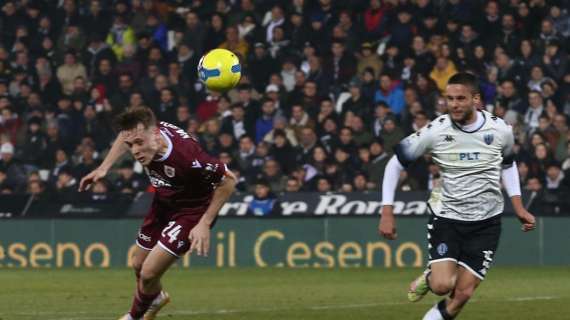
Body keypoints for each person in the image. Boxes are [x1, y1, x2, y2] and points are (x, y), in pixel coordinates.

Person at [378, 73, 536, 320]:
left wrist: (518, 206)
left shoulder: (501, 130)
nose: (454, 104)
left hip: (487, 222)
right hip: (448, 218)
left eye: (460, 98)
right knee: (442, 286)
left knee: (462, 294)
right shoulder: (436, 130)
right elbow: (395, 164)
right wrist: (387, 210)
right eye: (449, 99)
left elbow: (508, 165)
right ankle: (431, 277)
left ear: (476, 99)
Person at [78, 107, 236, 320]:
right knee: (138, 265)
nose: (134, 151)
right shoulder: (144, 132)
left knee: (149, 273)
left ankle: (133, 316)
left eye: (139, 143)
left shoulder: (187, 157)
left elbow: (228, 180)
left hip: (192, 212)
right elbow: (124, 135)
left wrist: (205, 223)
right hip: (163, 203)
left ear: (156, 135)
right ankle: (156, 297)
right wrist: (104, 168)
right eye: (131, 145)